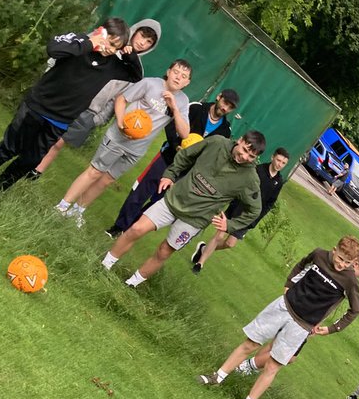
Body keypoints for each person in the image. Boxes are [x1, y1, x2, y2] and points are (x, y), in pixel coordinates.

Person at [195, 235, 359, 399]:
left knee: (273, 365)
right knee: (250, 344)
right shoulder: (319, 255)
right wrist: (289, 284)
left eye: (347, 262)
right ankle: (217, 377)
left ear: (353, 262)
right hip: (283, 307)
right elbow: (301, 264)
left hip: (302, 326)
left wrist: (332, 328)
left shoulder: (350, 281)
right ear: (334, 250)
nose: (341, 264)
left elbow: (355, 311)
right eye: (340, 258)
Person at [0, 18, 139, 189]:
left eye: (116, 48)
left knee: (31, 160)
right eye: (110, 43)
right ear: (101, 31)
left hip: (60, 120)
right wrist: (89, 43)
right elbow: (53, 49)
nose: (110, 50)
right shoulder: (78, 41)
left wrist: (130, 54)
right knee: (9, 148)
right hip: (37, 107)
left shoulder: (112, 65)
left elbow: (136, 76)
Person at [100, 129, 265, 286]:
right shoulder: (216, 142)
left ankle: (132, 283)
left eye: (251, 156)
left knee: (164, 251)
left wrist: (230, 225)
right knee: (137, 229)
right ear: (240, 140)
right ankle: (105, 265)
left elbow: (254, 211)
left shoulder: (250, 179)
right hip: (174, 199)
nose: (244, 157)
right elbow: (186, 155)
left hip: (195, 219)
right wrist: (170, 174)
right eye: (244, 150)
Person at [54, 60, 192, 226]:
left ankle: (77, 210)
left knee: (107, 180)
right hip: (118, 137)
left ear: (187, 82)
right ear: (169, 71)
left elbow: (184, 133)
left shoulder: (183, 101)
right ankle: (62, 206)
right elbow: (122, 99)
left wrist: (175, 108)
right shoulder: (150, 83)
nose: (178, 77)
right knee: (95, 172)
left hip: (137, 149)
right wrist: (120, 121)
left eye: (183, 76)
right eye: (176, 72)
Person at [32, 20, 161, 176]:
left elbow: (120, 97)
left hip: (90, 111)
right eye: (142, 36)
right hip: (66, 96)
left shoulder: (133, 67)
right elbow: (71, 50)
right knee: (39, 132)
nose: (142, 43)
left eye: (149, 42)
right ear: (134, 31)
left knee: (58, 143)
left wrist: (98, 118)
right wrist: (50, 68)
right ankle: (26, 159)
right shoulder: (104, 39)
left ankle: (36, 171)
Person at [106, 89, 239, 236]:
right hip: (167, 158)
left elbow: (214, 156)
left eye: (230, 107)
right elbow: (171, 124)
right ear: (219, 97)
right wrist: (176, 145)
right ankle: (118, 227)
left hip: (184, 173)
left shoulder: (225, 131)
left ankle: (131, 230)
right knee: (140, 193)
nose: (225, 108)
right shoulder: (196, 108)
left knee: (158, 202)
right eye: (225, 102)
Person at [236, 249, 359, 376]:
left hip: (309, 319)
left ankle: (249, 368)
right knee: (289, 356)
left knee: (279, 347)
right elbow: (355, 310)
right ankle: (247, 366)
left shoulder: (346, 278)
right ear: (356, 263)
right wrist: (331, 328)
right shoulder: (345, 277)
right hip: (304, 318)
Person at [190, 146, 290, 274]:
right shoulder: (257, 170)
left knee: (230, 244)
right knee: (219, 235)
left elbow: (270, 203)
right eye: (278, 160)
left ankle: (204, 249)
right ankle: (200, 264)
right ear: (272, 157)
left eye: (283, 163)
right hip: (236, 209)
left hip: (249, 217)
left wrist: (256, 218)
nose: (280, 164)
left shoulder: (279, 182)